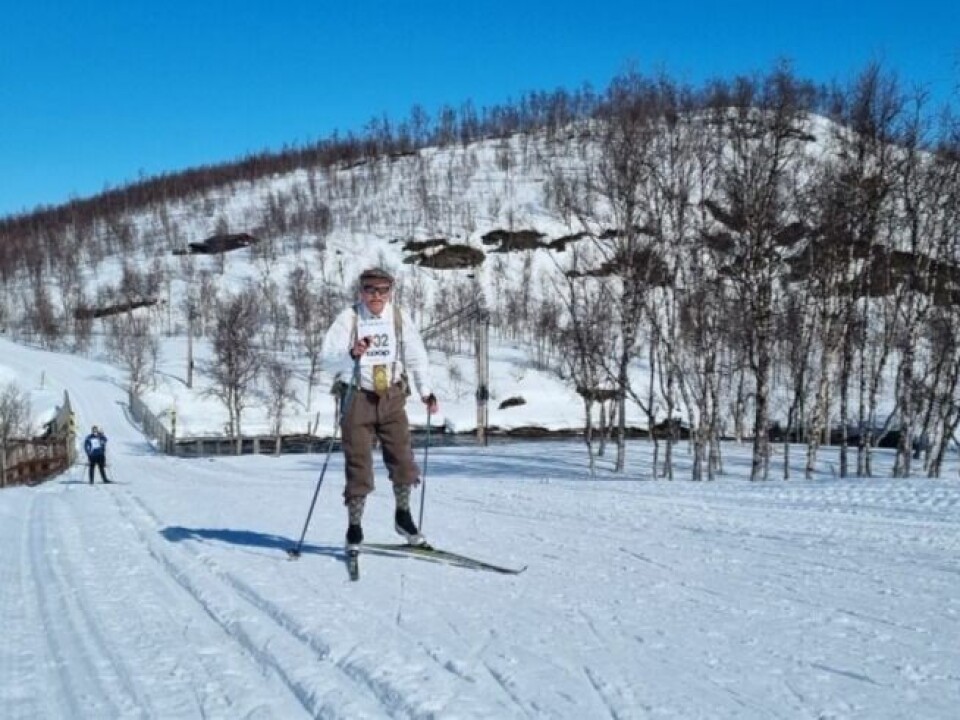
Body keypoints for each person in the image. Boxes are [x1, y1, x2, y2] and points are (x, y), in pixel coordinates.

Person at [321, 267, 439, 548]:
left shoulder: (398, 318)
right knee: (359, 465)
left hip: (392, 397)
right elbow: (327, 360)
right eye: (370, 290)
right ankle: (355, 527)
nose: (376, 296)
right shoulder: (348, 319)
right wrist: (351, 354)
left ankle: (403, 515)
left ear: (390, 291)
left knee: (403, 460)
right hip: (357, 398)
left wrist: (426, 391)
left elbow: (417, 356)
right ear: (361, 291)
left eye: (382, 290)